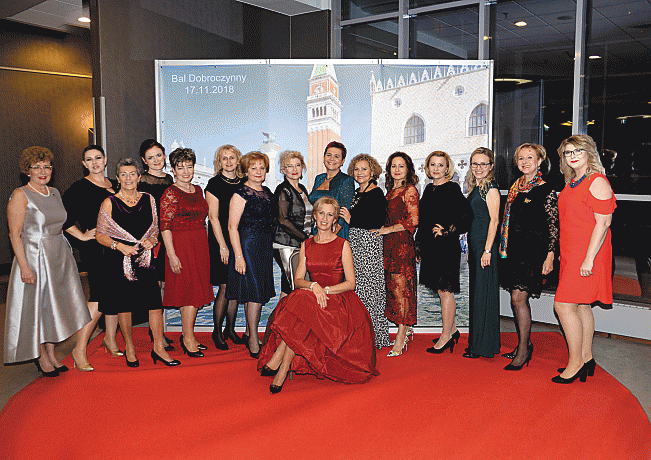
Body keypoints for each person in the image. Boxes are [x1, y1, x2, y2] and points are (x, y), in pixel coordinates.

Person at [258, 197, 378, 393]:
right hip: (312, 296)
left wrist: (326, 290)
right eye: (321, 213)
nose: (324, 218)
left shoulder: (343, 244)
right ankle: (283, 365)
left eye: (330, 215)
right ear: (314, 216)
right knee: (301, 299)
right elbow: (298, 280)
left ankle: (280, 361)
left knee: (301, 304)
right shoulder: (306, 244)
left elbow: (351, 283)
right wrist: (314, 286)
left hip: (337, 300)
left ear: (334, 219)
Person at [4, 146, 90, 376]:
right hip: (34, 257)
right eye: (37, 167)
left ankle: (52, 353)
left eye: (47, 167)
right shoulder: (20, 195)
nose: (43, 172)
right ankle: (41, 355)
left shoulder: (54, 192)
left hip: (58, 256)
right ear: (27, 170)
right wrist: (24, 266)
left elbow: (61, 224)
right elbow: (14, 234)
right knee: (38, 308)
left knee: (54, 307)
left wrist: (82, 237)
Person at [96, 158, 180, 367]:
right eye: (123, 174)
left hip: (145, 259)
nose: (128, 178)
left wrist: (153, 240)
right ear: (117, 178)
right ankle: (130, 347)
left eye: (132, 174)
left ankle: (158, 348)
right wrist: (119, 246)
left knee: (154, 304)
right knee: (125, 305)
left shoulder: (148, 199)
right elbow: (100, 235)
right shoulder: (109, 202)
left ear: (139, 177)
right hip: (120, 260)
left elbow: (155, 228)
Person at [552, 135, 616, 384]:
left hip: (589, 253)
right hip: (572, 251)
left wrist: (589, 259)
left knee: (563, 306)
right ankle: (587, 358)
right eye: (568, 152)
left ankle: (576, 363)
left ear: (589, 153)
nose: (573, 156)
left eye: (578, 150)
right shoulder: (572, 182)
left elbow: (604, 223)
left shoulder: (596, 180)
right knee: (581, 305)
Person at [499, 144, 558, 370]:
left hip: (533, 254)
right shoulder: (515, 187)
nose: (525, 162)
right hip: (513, 251)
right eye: (521, 158)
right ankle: (523, 343)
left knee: (518, 299)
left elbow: (553, 226)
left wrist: (550, 256)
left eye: (530, 157)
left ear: (539, 161)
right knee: (516, 301)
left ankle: (524, 349)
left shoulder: (546, 190)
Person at [63, 145, 120, 371]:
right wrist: (81, 235)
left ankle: (110, 340)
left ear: (105, 160)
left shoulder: (115, 184)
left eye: (98, 158)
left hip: (117, 247)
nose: (94, 162)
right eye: (89, 159)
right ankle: (79, 349)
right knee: (99, 297)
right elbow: (62, 218)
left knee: (115, 296)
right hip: (97, 249)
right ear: (84, 164)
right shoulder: (79, 188)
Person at [417, 151, 472, 355]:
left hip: (446, 248)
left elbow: (466, 216)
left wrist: (447, 230)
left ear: (447, 168)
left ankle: (446, 336)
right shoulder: (428, 189)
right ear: (427, 167)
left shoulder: (452, 188)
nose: (436, 168)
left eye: (441, 165)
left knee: (445, 291)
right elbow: (424, 220)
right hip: (431, 248)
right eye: (433, 164)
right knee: (440, 290)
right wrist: (419, 245)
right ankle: (453, 329)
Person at [160, 148, 213, 357]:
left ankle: (187, 334)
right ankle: (188, 338)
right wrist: (172, 255)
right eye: (180, 167)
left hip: (199, 244)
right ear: (173, 170)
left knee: (195, 291)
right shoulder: (170, 193)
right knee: (188, 292)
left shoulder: (198, 190)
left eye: (189, 167)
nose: (185, 171)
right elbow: (165, 226)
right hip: (181, 246)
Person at [226, 151, 276, 359]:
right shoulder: (240, 194)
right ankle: (254, 339)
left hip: (264, 247)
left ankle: (248, 332)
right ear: (245, 171)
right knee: (253, 293)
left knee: (257, 292)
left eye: (262, 168)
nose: (258, 171)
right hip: (247, 247)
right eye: (253, 168)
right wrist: (238, 256)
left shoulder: (268, 192)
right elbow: (232, 227)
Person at [340, 153, 390, 349]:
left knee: (371, 291)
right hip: (356, 244)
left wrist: (351, 220)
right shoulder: (358, 192)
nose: (359, 172)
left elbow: (377, 221)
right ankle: (361, 335)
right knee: (359, 291)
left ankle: (375, 337)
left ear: (372, 171)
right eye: (356, 169)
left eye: (364, 169)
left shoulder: (376, 193)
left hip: (368, 245)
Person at [372, 152, 419, 357]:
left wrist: (387, 230)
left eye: (401, 166)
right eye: (393, 166)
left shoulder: (410, 190)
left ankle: (401, 336)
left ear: (408, 169)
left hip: (402, 246)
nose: (397, 169)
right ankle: (404, 330)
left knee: (402, 291)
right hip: (388, 246)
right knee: (393, 289)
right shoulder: (390, 191)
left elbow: (413, 221)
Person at [205, 145, 246, 350]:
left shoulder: (244, 183)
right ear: (219, 162)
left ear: (238, 160)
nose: (228, 161)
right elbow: (213, 217)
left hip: (239, 239)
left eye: (232, 157)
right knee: (224, 286)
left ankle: (230, 329)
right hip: (220, 239)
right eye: (224, 158)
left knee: (235, 287)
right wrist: (222, 245)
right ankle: (217, 331)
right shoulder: (214, 183)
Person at [464, 147, 501, 359]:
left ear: (491, 166)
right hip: (476, 246)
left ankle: (482, 346)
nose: (479, 168)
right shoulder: (477, 187)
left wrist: (487, 250)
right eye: (475, 164)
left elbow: (494, 221)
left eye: (483, 164)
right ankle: (478, 343)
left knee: (483, 295)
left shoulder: (491, 188)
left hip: (486, 247)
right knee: (478, 295)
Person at [138, 139, 175, 350]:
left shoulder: (170, 179)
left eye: (158, 155)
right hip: (151, 239)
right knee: (154, 287)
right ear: (144, 160)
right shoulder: (141, 181)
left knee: (163, 285)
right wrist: (150, 237)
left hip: (168, 236)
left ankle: (158, 332)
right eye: (150, 157)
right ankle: (156, 335)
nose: (156, 160)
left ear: (164, 155)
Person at [273, 150, 312, 300]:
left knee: (288, 285)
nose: (295, 169)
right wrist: (306, 238)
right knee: (293, 285)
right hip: (285, 244)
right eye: (290, 166)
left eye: (298, 165)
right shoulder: (283, 190)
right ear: (283, 170)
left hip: (299, 243)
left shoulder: (302, 189)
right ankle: (284, 315)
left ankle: (280, 314)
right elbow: (283, 220)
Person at [308, 141, 355, 239]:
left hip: (336, 232)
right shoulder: (319, 178)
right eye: (329, 155)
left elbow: (344, 211)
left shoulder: (346, 180)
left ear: (342, 161)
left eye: (336, 156)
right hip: (317, 229)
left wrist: (331, 235)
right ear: (324, 158)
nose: (331, 159)